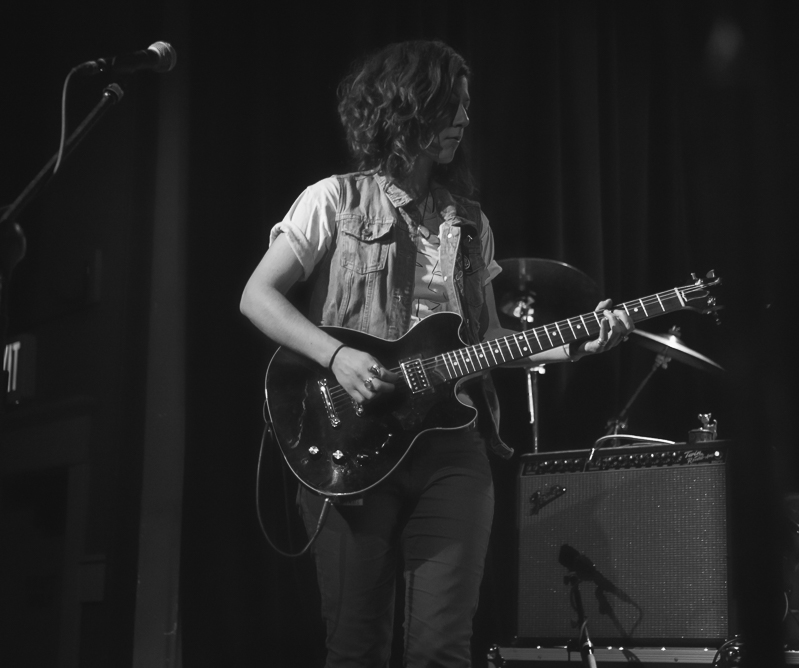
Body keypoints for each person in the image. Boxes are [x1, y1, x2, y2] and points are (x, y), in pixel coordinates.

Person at [240, 40, 633, 668]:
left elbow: (491, 342)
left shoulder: (471, 223)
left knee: (442, 650)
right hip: (352, 440)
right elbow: (256, 297)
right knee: (355, 648)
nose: (465, 120)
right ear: (407, 106)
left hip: (452, 449)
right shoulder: (332, 200)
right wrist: (337, 355)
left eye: (468, 107)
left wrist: (580, 341)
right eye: (454, 104)